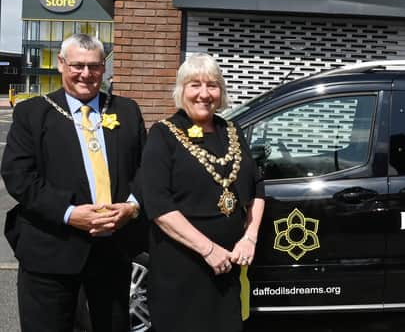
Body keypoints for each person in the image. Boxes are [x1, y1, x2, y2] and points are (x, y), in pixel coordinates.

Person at [1, 34, 147, 332]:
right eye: (77, 65)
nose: (85, 74)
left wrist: (131, 207)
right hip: (51, 249)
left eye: (93, 66)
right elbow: (19, 176)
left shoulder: (127, 111)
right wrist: (69, 213)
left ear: (103, 68)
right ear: (61, 64)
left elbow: (146, 171)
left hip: (113, 249)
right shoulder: (33, 113)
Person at [138, 53, 265, 332]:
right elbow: (158, 205)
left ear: (221, 92)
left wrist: (249, 238)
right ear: (181, 90)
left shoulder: (232, 130)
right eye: (194, 85)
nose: (204, 94)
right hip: (182, 267)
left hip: (228, 267)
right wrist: (208, 250)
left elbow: (257, 187)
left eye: (212, 85)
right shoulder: (163, 134)